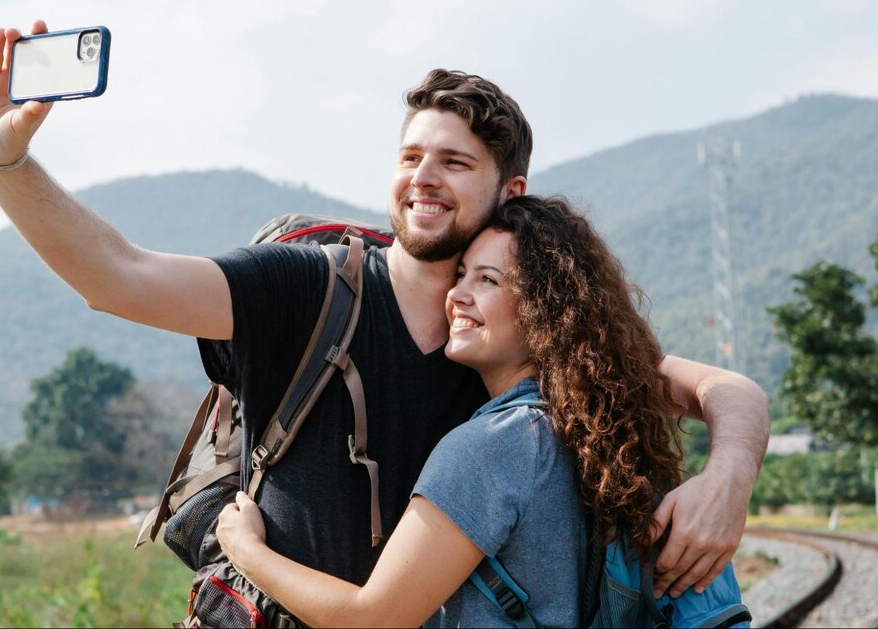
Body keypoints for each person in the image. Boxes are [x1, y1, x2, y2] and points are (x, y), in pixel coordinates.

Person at [0, 20, 769, 605]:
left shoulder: (512, 337)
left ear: (508, 194)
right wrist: (1, 161)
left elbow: (727, 391)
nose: (424, 177)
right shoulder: (303, 290)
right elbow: (118, 276)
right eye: (411, 156)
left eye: (455, 162)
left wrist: (727, 481)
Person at [215, 195, 706, 627]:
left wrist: (247, 552)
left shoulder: (493, 446)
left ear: (547, 310)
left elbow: (373, 619)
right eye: (461, 275)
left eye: (487, 280)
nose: (457, 295)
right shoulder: (602, 431)